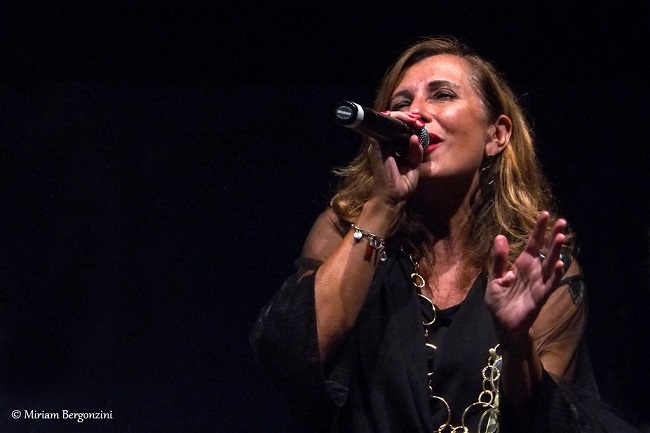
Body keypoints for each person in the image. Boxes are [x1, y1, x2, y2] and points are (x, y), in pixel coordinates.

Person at [249, 36, 619, 433]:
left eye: (442, 95)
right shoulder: (344, 230)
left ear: (496, 135)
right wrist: (383, 204)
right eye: (402, 103)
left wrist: (516, 340)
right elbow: (287, 357)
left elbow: (553, 423)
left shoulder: (540, 268)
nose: (417, 112)